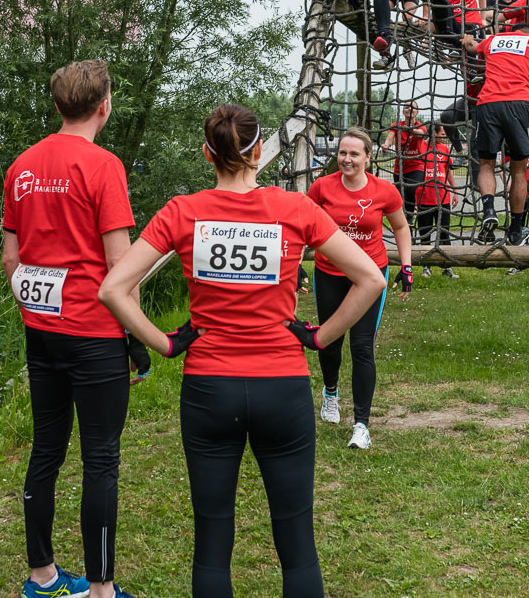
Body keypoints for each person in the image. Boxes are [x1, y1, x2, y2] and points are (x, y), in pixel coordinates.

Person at [98, 104, 386, 598]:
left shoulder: (182, 211)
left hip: (209, 389)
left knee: (212, 538)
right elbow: (371, 277)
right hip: (283, 387)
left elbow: (111, 289)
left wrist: (164, 344)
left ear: (207, 153)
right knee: (296, 540)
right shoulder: (295, 208)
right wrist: (320, 337)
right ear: (257, 153)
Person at [2, 60, 142, 598]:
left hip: (43, 330)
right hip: (95, 330)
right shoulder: (104, 165)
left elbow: (11, 258)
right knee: (100, 457)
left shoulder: (23, 165)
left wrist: (36, 311)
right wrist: (134, 337)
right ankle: (103, 590)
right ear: (103, 105)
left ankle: (42, 577)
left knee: (46, 450)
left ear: (58, 105)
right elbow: (121, 263)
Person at [305, 127, 412, 447]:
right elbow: (303, 228)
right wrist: (296, 265)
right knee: (330, 341)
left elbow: (401, 227)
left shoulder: (385, 191)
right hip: (329, 273)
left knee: (362, 346)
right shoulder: (321, 187)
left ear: (368, 157)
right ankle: (331, 392)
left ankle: (362, 425)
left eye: (354, 154)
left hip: (369, 276)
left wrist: (406, 267)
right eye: (342, 153)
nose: (347, 159)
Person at [462, 26, 529, 245]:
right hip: (520, 104)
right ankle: (516, 230)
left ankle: (489, 210)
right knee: (519, 171)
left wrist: (466, 40)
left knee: (486, 164)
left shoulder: (493, 40)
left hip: (489, 104)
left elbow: (473, 47)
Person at [415, 122, 459, 279]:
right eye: (441, 134)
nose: (443, 137)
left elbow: (447, 171)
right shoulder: (422, 147)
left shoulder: (445, 149)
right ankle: (426, 266)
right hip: (424, 198)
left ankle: (446, 266)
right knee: (425, 234)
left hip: (443, 198)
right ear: (433, 134)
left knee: (444, 234)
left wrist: (454, 191)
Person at [382, 101, 427, 231]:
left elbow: (420, 133)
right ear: (403, 111)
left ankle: (409, 217)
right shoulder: (396, 125)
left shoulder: (421, 126)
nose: (410, 109)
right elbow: (390, 137)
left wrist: (408, 128)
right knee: (400, 196)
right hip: (400, 168)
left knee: (411, 189)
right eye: (407, 107)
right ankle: (405, 227)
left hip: (416, 165)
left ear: (417, 112)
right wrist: (386, 144)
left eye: (413, 107)